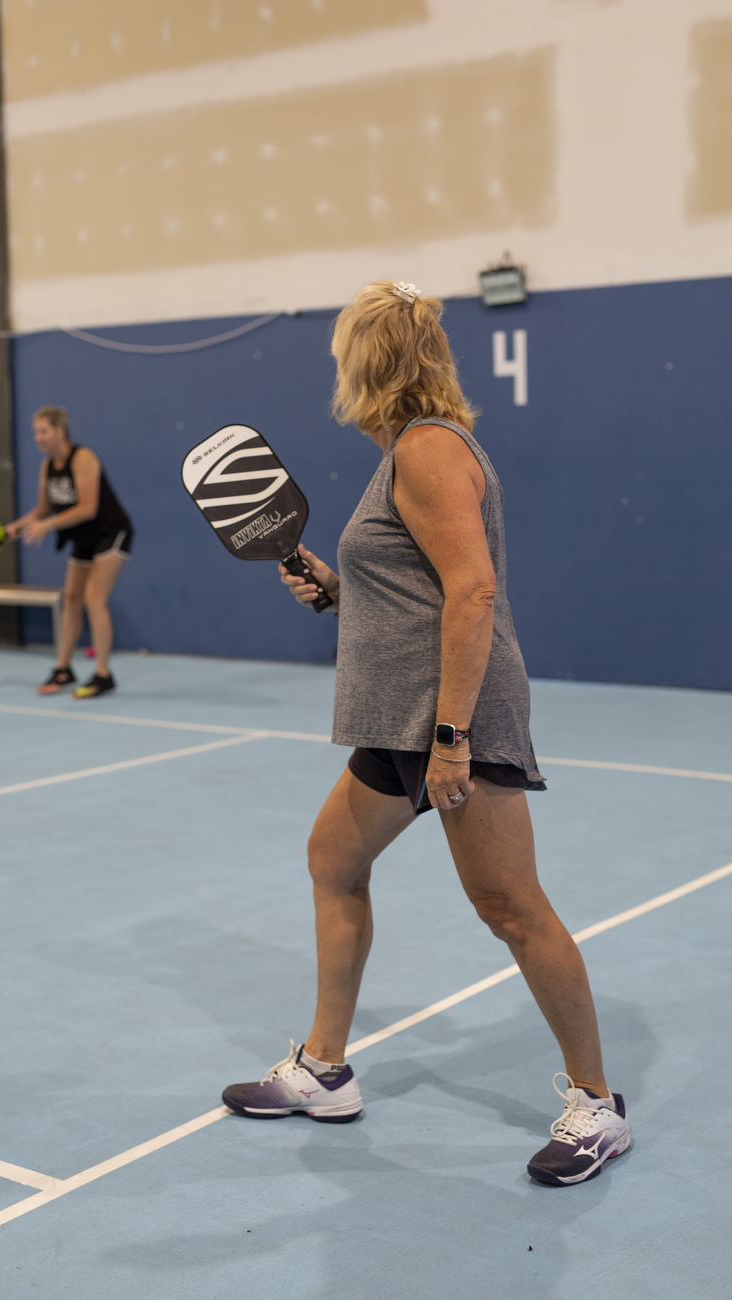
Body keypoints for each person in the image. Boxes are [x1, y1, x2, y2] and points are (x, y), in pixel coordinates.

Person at [222, 281, 630, 1186]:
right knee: (334, 859)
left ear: (367, 364)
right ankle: (326, 1070)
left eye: (343, 352)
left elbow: (474, 590)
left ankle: (598, 1106)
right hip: (401, 716)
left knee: (511, 908)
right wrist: (338, 588)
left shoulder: (429, 450)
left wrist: (452, 735)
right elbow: (413, 586)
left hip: (452, 715)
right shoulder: (406, 454)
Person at [4, 405, 133, 698]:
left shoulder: (83, 458)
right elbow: (42, 509)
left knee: (94, 598)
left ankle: (103, 674)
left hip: (111, 532)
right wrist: (14, 528)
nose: (37, 437)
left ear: (60, 431)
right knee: (72, 599)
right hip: (84, 537)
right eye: (35, 432)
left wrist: (46, 526)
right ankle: (63, 669)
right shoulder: (47, 466)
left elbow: (87, 508)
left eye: (43, 431)